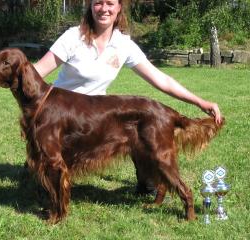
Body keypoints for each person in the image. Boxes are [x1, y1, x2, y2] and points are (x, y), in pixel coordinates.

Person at [33, 0, 222, 195]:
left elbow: (161, 79)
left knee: (137, 139)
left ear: (119, 8)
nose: (104, 9)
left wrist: (200, 101)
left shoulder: (123, 44)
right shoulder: (73, 37)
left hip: (95, 118)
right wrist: (11, 73)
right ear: (90, 6)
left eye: (110, 3)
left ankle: (146, 177)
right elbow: (36, 72)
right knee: (44, 179)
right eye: (98, 3)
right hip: (60, 117)